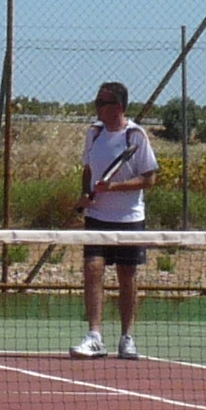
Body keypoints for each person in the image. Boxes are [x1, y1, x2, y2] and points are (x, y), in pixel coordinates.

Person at [72, 81, 161, 359]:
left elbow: (149, 179)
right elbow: (88, 170)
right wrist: (85, 193)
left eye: (103, 102)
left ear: (119, 107)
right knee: (93, 269)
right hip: (97, 216)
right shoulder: (94, 133)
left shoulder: (136, 136)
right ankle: (95, 336)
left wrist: (114, 187)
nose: (97, 107)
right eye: (97, 102)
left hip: (129, 219)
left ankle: (127, 337)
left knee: (127, 275)